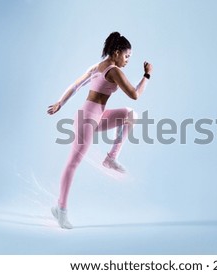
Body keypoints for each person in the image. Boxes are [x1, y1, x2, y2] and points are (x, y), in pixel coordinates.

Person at [47, 32, 153, 229]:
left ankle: (110, 158)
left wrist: (61, 102)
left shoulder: (96, 67)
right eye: (127, 56)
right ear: (116, 53)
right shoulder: (114, 70)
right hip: (87, 119)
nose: (128, 60)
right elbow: (135, 94)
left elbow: (75, 85)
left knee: (131, 115)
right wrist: (147, 75)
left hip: (97, 116)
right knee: (72, 163)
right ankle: (60, 210)